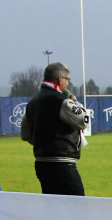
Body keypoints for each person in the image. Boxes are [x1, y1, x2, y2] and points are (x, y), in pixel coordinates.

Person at [21, 62, 91, 196]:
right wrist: (74, 101)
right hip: (63, 165)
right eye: (67, 80)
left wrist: (45, 142)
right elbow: (83, 120)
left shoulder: (32, 103)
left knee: (52, 211)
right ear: (60, 80)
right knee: (78, 208)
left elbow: (25, 134)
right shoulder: (62, 101)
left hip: (41, 164)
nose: (68, 84)